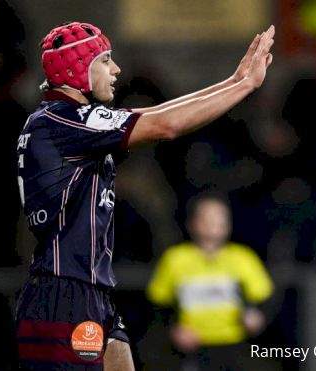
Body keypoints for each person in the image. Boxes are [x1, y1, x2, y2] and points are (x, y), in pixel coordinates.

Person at [15, 21, 275, 370]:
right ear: (78, 68)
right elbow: (165, 126)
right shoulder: (63, 122)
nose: (116, 69)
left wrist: (234, 81)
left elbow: (153, 114)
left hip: (89, 293)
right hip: (65, 294)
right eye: (105, 60)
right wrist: (243, 87)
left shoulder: (65, 120)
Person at [147, 193, 273, 371]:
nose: (214, 223)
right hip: (191, 347)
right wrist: (173, 329)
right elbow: (159, 303)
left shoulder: (243, 258)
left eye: (220, 217)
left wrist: (256, 318)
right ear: (192, 223)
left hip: (234, 344)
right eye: (207, 217)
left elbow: (263, 298)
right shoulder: (175, 259)